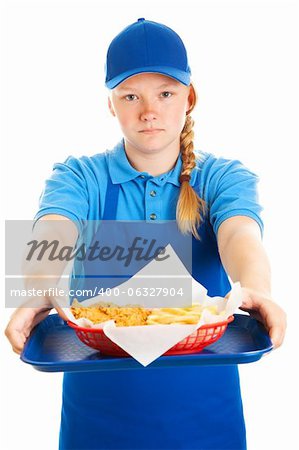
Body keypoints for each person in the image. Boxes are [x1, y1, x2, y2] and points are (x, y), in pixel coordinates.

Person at [5, 18, 286, 450]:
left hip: (206, 421)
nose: (148, 111)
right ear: (111, 104)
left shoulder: (222, 178)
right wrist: (39, 287)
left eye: (166, 94)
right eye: (130, 96)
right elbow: (53, 229)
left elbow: (239, 236)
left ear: (189, 99)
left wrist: (257, 288)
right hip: (98, 422)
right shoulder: (80, 177)